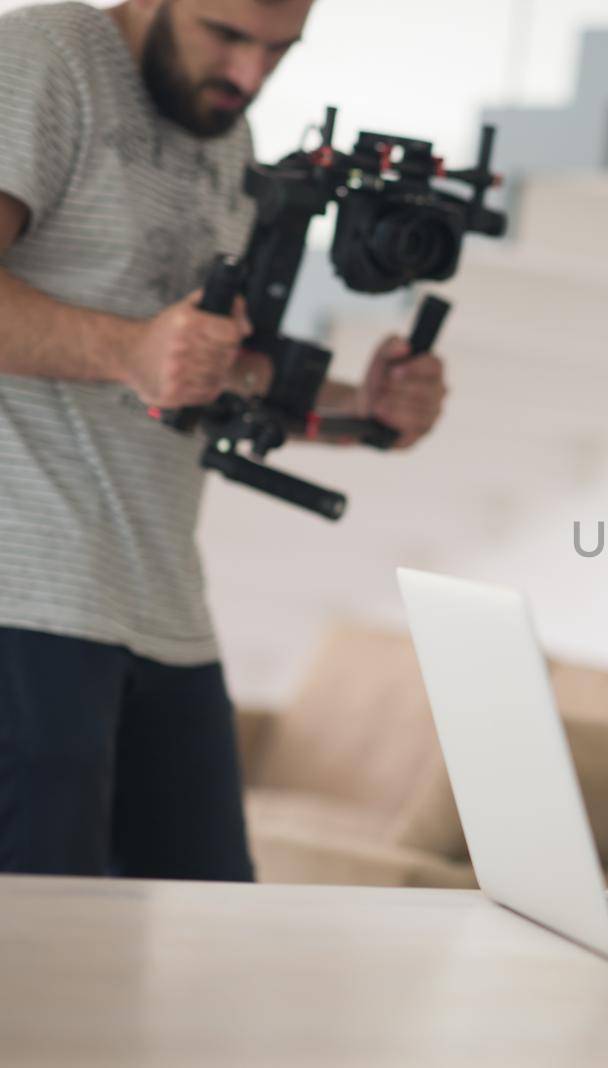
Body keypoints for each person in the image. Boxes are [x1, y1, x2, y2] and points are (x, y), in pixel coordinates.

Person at [0, 0, 447, 880]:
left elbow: (207, 370)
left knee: (205, 950)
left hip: (163, 616)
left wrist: (366, 407)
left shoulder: (225, 137)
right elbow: (146, 353)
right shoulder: (43, 54)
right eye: (227, 36)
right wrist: (128, 350)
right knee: (39, 972)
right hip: (24, 603)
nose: (250, 76)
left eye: (280, 50)